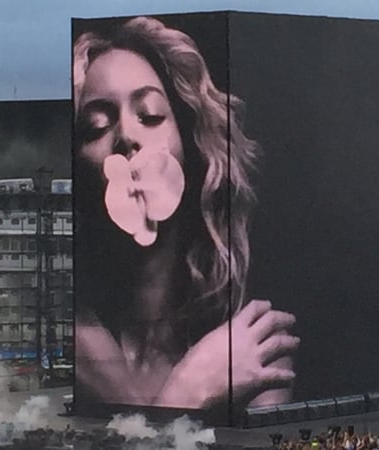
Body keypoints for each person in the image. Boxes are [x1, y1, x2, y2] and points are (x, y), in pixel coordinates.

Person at [73, 16, 299, 411]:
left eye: (151, 115)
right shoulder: (70, 344)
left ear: (190, 148)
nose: (127, 136)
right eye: (96, 126)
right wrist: (190, 390)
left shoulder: (249, 350)